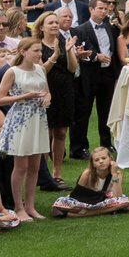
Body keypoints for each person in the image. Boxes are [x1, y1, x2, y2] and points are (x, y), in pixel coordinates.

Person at [0, 36, 52, 221]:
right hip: (20, 119)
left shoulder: (41, 69)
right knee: (21, 166)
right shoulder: (12, 72)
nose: (39, 54)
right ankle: (18, 207)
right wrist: (23, 96)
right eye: (35, 51)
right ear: (23, 52)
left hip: (38, 118)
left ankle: (31, 206)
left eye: (40, 51)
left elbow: (46, 90)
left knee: (35, 165)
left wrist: (48, 97)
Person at [70, 0, 119, 157]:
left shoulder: (110, 28)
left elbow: (113, 51)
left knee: (106, 110)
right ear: (91, 10)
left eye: (106, 9)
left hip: (107, 74)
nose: (104, 11)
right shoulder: (80, 29)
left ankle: (106, 143)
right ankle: (78, 147)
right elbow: (80, 52)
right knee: (83, 111)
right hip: (89, 74)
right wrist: (95, 57)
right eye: (101, 8)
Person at [35, 11, 79, 184]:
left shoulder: (64, 41)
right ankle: (44, 175)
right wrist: (54, 55)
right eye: (50, 23)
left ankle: (57, 173)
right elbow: (41, 71)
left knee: (61, 132)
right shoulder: (37, 45)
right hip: (46, 91)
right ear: (41, 27)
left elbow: (72, 68)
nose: (54, 25)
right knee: (46, 134)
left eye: (55, 22)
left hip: (65, 90)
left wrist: (68, 52)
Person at [51, 147, 129, 217]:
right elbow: (76, 195)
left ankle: (80, 214)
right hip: (85, 200)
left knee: (124, 202)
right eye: (97, 160)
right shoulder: (87, 174)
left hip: (104, 199)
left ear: (110, 159)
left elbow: (117, 197)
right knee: (61, 202)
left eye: (104, 158)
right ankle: (106, 211)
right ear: (93, 164)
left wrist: (114, 174)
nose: (101, 161)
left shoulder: (117, 174)